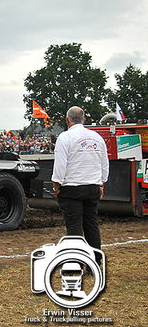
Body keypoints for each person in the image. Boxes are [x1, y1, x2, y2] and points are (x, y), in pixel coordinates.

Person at [52, 106, 109, 260]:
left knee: (74, 227)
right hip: (92, 186)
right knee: (91, 224)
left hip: (71, 188)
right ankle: (95, 262)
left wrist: (57, 185)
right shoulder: (97, 137)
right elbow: (104, 163)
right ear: (84, 120)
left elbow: (60, 165)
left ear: (67, 120)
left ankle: (77, 262)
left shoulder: (65, 138)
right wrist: (101, 183)